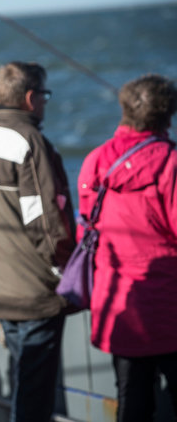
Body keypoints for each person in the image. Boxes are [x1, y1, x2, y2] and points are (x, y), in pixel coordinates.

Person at [0, 61, 76, 422]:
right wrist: (66, 274)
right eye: (43, 95)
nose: (45, 103)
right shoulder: (30, 142)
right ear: (31, 98)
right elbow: (46, 224)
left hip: (3, 289)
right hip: (36, 292)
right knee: (34, 400)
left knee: (21, 385)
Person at [77, 74, 177, 421]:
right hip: (168, 304)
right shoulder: (170, 162)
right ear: (167, 114)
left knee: (131, 400)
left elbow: (86, 231)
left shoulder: (95, 161)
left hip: (118, 303)